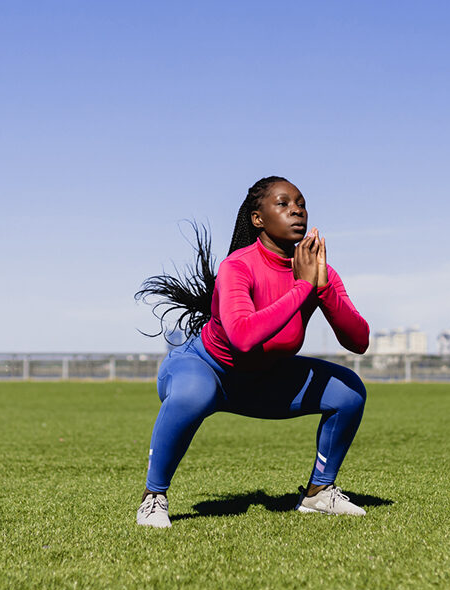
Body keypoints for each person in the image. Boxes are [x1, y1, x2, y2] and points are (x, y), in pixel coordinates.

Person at [134, 176, 370, 528]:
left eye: (301, 204)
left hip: (263, 381)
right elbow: (243, 337)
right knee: (194, 394)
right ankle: (153, 497)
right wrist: (303, 288)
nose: (297, 211)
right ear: (258, 219)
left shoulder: (317, 272)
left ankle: (319, 494)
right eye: (284, 204)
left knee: (349, 390)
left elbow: (359, 340)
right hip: (205, 370)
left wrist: (321, 291)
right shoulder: (238, 266)